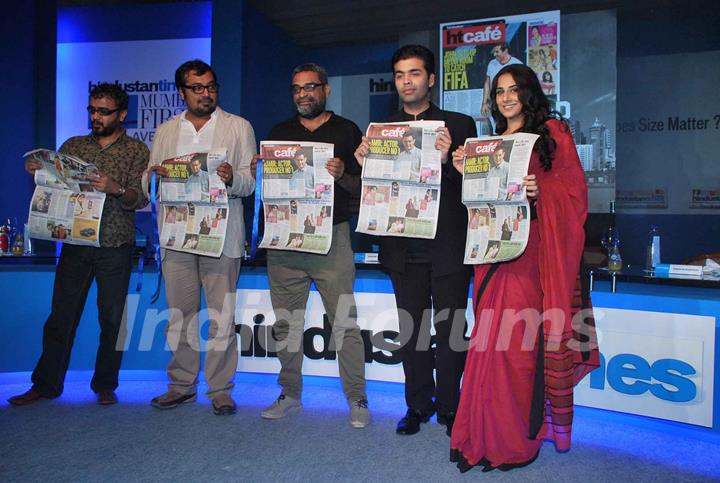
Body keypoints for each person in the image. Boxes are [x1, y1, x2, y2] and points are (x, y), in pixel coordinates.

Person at [449, 63, 600, 472]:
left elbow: (574, 193)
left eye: (514, 89)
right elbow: (483, 201)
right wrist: (468, 171)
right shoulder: (493, 140)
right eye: (499, 92)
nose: (506, 98)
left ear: (530, 92)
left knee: (516, 347)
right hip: (491, 253)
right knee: (487, 342)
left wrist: (540, 189)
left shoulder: (553, 132)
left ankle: (513, 443)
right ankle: (480, 434)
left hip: (530, 254)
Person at [355, 45, 477, 436]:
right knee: (413, 334)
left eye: (414, 73)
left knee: (450, 333)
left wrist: (448, 164)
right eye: (400, 75)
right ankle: (417, 407)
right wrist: (364, 167)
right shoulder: (382, 129)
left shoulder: (460, 124)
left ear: (431, 79)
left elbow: (474, 189)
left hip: (448, 247)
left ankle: (450, 408)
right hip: (402, 249)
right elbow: (374, 193)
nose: (406, 81)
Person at [9, 83, 149, 406]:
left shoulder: (137, 151)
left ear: (122, 115)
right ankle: (46, 384)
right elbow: (57, 185)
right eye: (92, 110)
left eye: (104, 111)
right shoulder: (73, 145)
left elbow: (139, 199)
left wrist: (115, 188)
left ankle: (105, 384)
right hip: (74, 243)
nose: (96, 116)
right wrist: (39, 172)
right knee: (61, 316)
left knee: (112, 319)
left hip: (114, 244)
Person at [251, 63, 369, 428]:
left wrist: (342, 175)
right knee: (287, 323)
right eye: (297, 88)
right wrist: (261, 171)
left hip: (331, 237)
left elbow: (366, 188)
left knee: (344, 323)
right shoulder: (279, 132)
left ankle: (357, 398)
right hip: (285, 240)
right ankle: (290, 394)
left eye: (310, 87)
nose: (303, 94)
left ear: (326, 90)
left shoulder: (347, 130)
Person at [143, 59, 256, 416]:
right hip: (177, 236)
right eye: (197, 87)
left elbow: (250, 183)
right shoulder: (165, 131)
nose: (206, 93)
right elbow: (148, 181)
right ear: (182, 92)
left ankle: (221, 389)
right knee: (180, 315)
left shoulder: (239, 127)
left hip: (222, 236)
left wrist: (230, 178)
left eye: (211, 86)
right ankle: (181, 385)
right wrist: (157, 176)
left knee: (222, 316)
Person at [481, 43, 524, 120]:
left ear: (505, 50)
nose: (494, 54)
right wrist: (484, 103)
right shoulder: (491, 63)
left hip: (511, 104)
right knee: (496, 127)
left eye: (497, 52)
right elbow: (487, 83)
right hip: (494, 103)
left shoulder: (517, 64)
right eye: (494, 52)